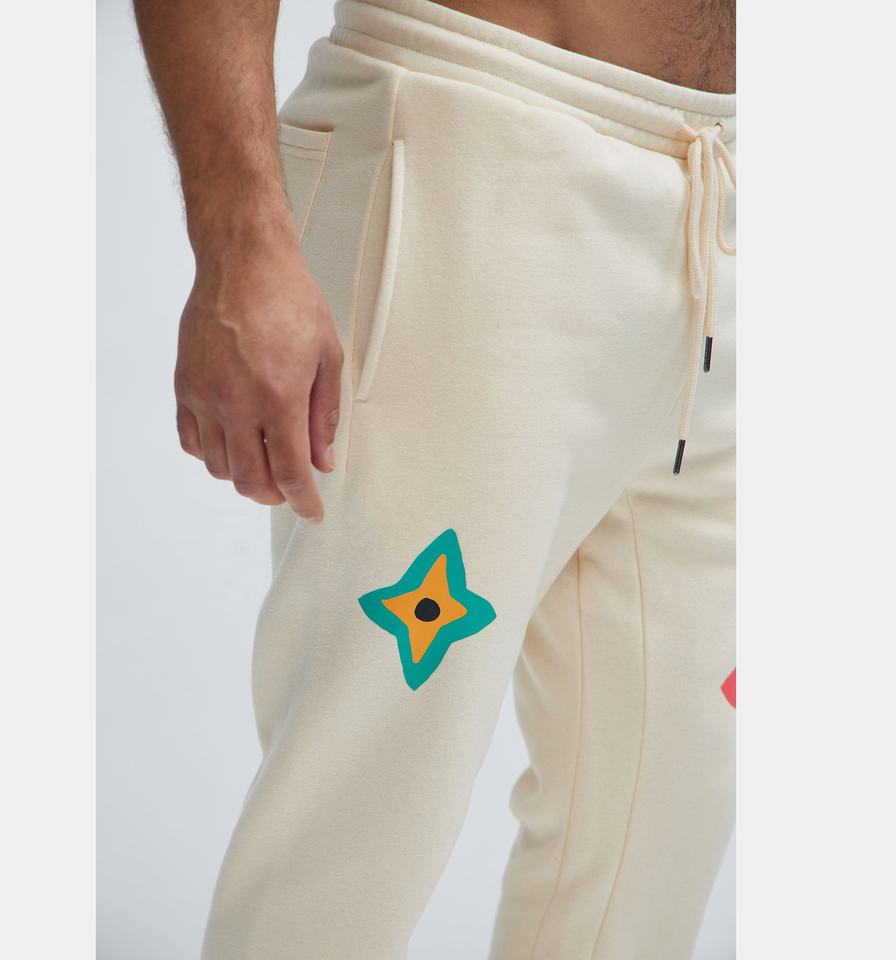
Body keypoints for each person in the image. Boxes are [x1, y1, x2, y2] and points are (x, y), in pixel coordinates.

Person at [134, 0, 736, 956]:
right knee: (357, 829)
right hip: (475, 157)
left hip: (725, 213)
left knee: (661, 821)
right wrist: (238, 243)